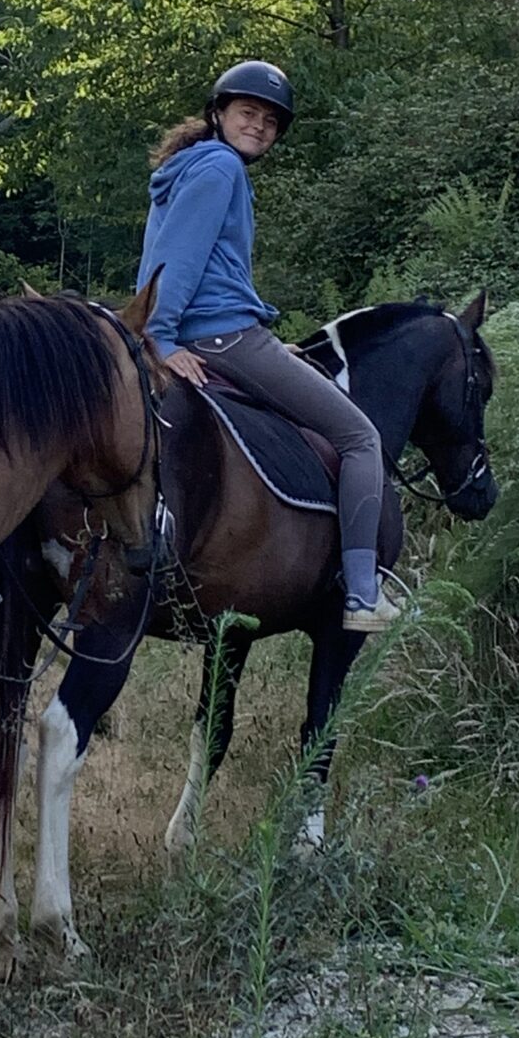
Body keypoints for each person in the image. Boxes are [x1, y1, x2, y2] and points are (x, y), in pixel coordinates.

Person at [136, 60, 395, 633]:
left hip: (220, 329)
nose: (258, 125)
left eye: (270, 121)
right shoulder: (220, 167)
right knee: (360, 438)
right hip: (225, 337)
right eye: (247, 112)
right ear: (218, 113)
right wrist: (161, 337)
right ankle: (361, 593)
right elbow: (177, 260)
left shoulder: (190, 166)